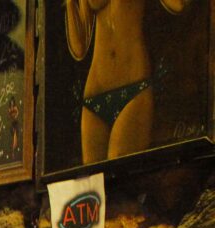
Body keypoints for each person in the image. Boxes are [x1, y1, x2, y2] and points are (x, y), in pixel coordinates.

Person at [66, 0, 194, 164]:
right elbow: (79, 48)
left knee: (120, 175)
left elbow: (179, 5)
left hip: (133, 89)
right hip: (94, 94)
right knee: (93, 184)